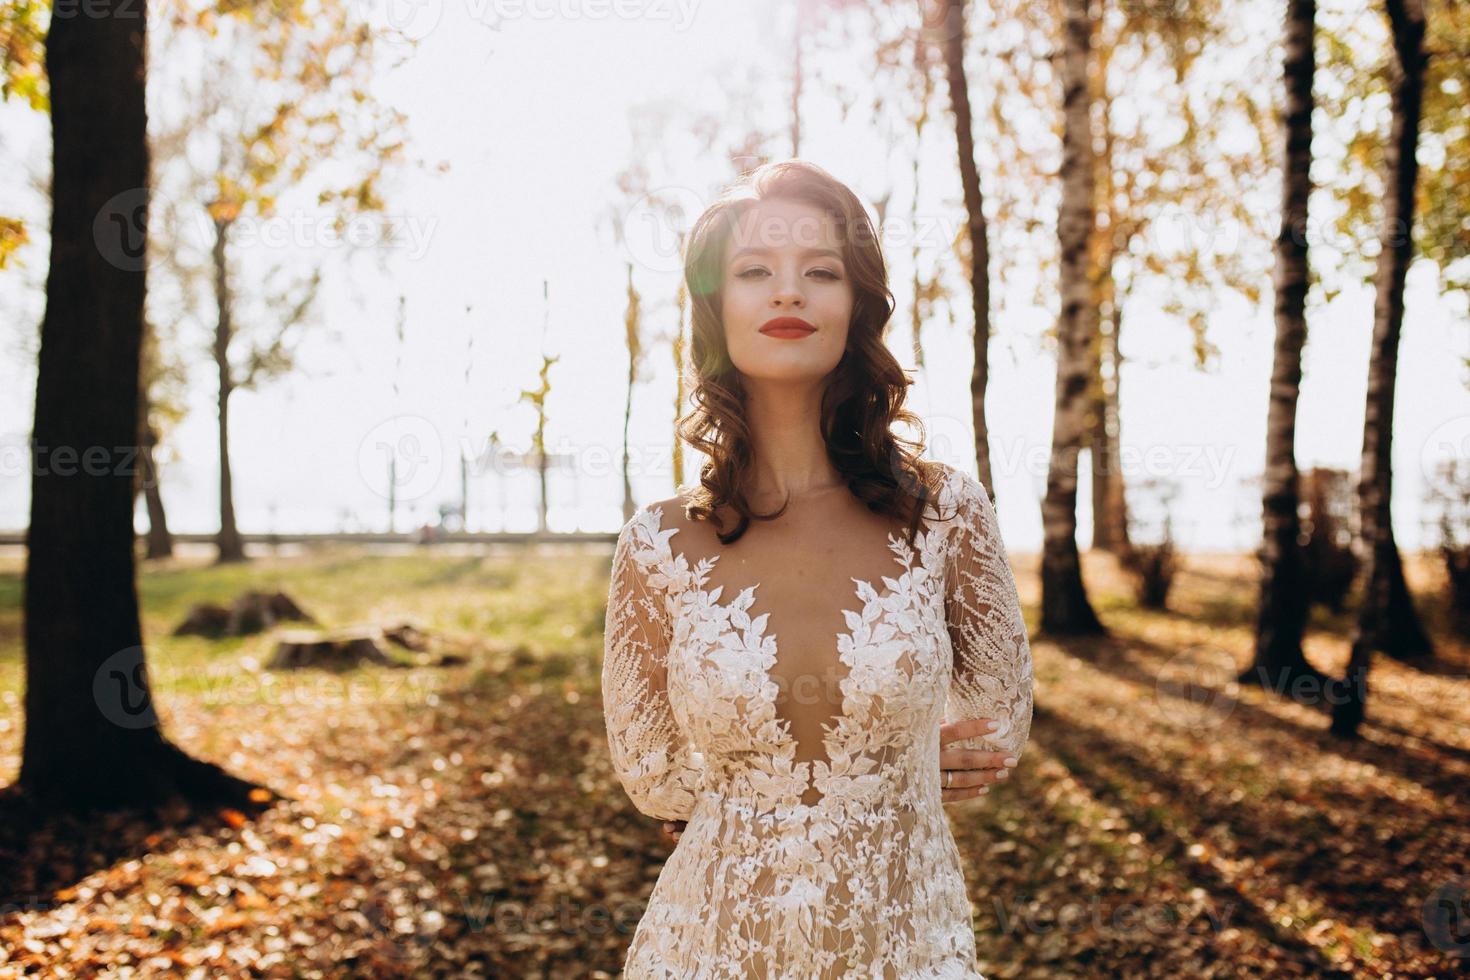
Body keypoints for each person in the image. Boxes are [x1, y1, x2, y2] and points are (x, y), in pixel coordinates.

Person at [601, 159, 1034, 978]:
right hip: (705, 951)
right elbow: (651, 773)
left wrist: (909, 764)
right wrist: (751, 807)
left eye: (821, 272)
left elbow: (1001, 712)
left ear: (857, 306)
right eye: (755, 271)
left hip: (906, 946)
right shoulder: (659, 542)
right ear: (716, 308)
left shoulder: (946, 513)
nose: (788, 293)